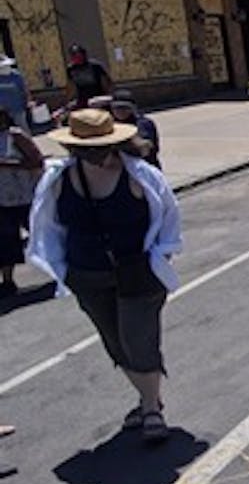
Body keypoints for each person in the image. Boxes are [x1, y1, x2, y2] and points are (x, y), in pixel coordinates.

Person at [27, 108, 183, 441]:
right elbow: (49, 227)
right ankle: (147, 398)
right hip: (88, 274)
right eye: (85, 148)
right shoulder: (59, 180)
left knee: (138, 338)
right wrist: (61, 269)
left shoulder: (140, 176)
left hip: (138, 272)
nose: (93, 155)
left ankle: (151, 409)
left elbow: (169, 217)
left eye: (99, 147)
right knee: (115, 343)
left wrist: (162, 254)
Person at [0, 106, 45, 300]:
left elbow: (37, 161)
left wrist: (7, 165)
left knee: (40, 233)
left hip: (23, 195)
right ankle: (8, 281)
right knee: (5, 243)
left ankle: (68, 267)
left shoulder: (15, 136)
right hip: (2, 199)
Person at [92, 91, 161, 168]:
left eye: (125, 108)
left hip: (144, 167)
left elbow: (145, 149)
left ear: (133, 108)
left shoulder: (142, 123)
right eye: (116, 107)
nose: (120, 111)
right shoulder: (111, 124)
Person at [65, 45, 112, 109]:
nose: (76, 58)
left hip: (98, 97)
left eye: (78, 55)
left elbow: (106, 82)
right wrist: (69, 100)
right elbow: (71, 86)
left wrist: (109, 95)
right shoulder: (71, 69)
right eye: (73, 56)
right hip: (82, 99)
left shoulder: (95, 66)